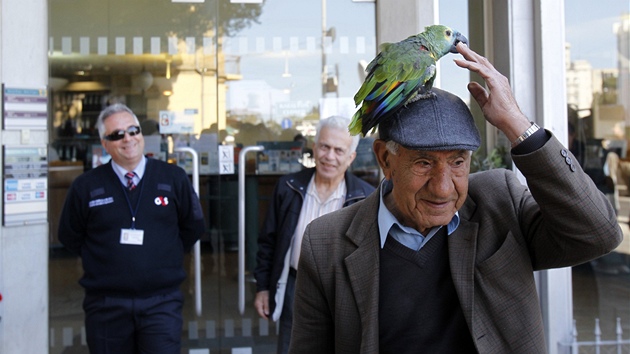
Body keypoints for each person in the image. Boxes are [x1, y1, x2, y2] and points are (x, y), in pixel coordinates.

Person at [289, 43, 623, 353]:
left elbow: (598, 234)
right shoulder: (326, 242)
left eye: (458, 162)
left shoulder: (499, 201)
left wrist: (517, 126)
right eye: (423, 163)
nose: (444, 188)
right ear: (385, 159)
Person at [58, 103, 205, 354]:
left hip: (161, 303)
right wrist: (105, 259)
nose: (128, 139)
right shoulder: (86, 186)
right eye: (117, 135)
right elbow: (70, 235)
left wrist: (160, 253)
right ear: (104, 144)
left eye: (133, 131)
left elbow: (192, 226)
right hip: (106, 306)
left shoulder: (173, 178)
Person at [254, 115, 376, 354]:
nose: (330, 157)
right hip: (294, 285)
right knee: (292, 347)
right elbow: (268, 242)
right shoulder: (288, 187)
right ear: (314, 147)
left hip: (343, 290)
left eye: (339, 150)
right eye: (324, 147)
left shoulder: (366, 198)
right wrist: (263, 287)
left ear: (351, 158)